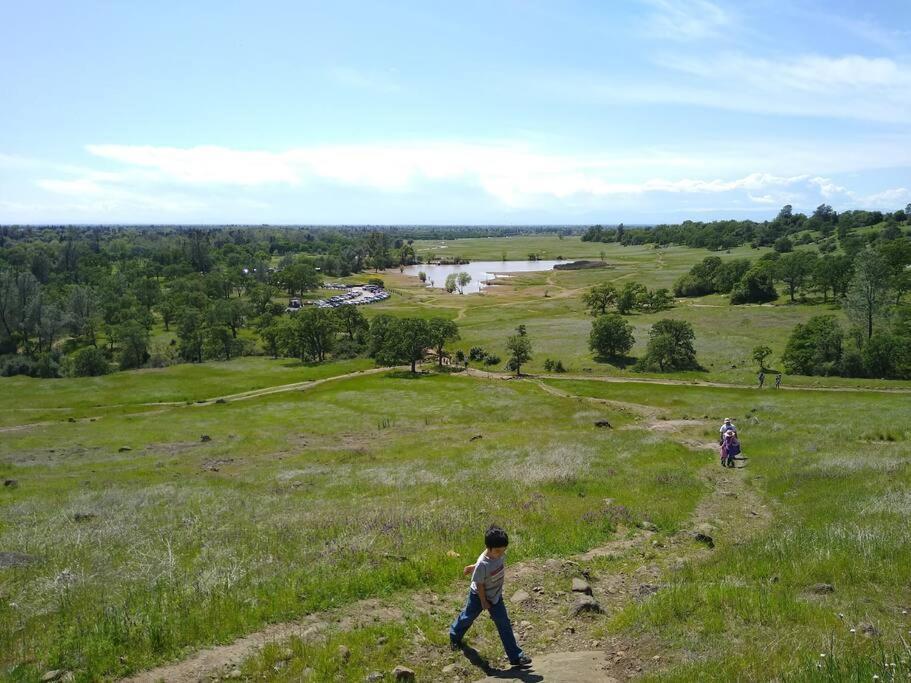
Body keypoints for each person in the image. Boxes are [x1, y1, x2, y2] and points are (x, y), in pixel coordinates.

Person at [450, 525, 532, 668]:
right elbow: (480, 583)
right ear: (489, 548)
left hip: (495, 596)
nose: (501, 554)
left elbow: (485, 560)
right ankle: (454, 635)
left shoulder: (494, 552)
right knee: (468, 617)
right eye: (498, 551)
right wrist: (483, 601)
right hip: (478, 596)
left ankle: (515, 657)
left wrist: (473, 567)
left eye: (503, 550)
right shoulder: (484, 563)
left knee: (504, 623)